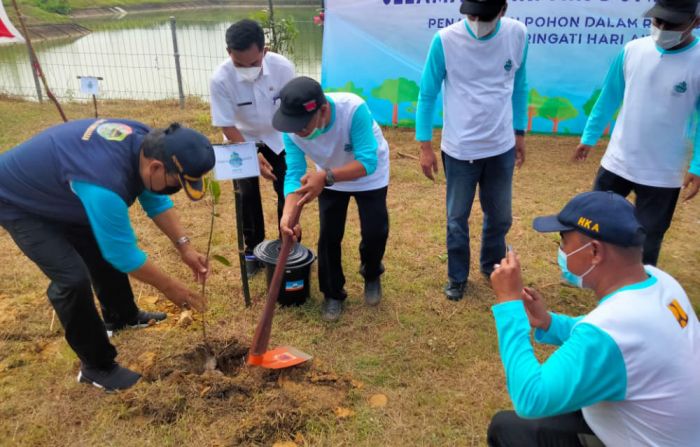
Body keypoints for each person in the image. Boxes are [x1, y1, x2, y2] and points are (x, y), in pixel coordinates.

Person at [0, 119, 215, 392]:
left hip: (65, 186)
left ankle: (121, 316)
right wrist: (172, 288)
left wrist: (185, 247)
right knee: (72, 278)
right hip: (17, 200)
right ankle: (97, 367)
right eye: (177, 181)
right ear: (156, 167)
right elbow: (123, 256)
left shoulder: (148, 144)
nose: (178, 189)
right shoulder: (104, 183)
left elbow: (155, 197)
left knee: (97, 241)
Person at [488, 191, 700, 446]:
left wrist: (509, 305)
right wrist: (549, 322)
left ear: (595, 252)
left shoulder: (612, 330)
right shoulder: (660, 283)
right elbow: (606, 335)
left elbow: (531, 398)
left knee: (508, 428)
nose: (561, 251)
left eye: (564, 241)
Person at [415, 0, 528, 301]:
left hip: (501, 147)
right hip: (459, 149)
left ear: (503, 10)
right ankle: (457, 276)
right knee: (456, 218)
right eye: (472, 15)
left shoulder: (517, 34)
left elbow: (519, 86)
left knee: (500, 216)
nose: (477, 21)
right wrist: (424, 146)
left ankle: (491, 266)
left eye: (485, 16)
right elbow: (426, 95)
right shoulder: (445, 40)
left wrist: (519, 133)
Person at [573, 0, 700, 266]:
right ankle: (595, 270)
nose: (662, 29)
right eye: (657, 21)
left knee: (649, 237)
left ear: (695, 22)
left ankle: (640, 288)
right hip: (617, 161)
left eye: (672, 24)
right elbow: (609, 97)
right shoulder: (632, 50)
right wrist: (589, 137)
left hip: (662, 174)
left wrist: (697, 165)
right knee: (597, 224)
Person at [274, 77, 390, 322]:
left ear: (322, 110)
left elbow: (368, 161)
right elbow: (294, 173)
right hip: (326, 176)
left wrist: (325, 177)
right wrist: (288, 213)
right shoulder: (292, 132)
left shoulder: (353, 110)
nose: (298, 133)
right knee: (329, 235)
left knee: (375, 231)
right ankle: (332, 293)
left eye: (303, 127)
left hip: (367, 174)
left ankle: (371, 272)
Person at [210, 19, 296, 277]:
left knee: (287, 188)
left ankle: (286, 243)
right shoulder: (220, 79)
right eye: (239, 64)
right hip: (240, 137)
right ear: (229, 53)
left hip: (279, 136)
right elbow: (226, 124)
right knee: (246, 196)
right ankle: (252, 250)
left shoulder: (283, 68)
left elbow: (291, 110)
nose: (247, 69)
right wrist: (251, 154)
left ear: (264, 51)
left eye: (253, 62)